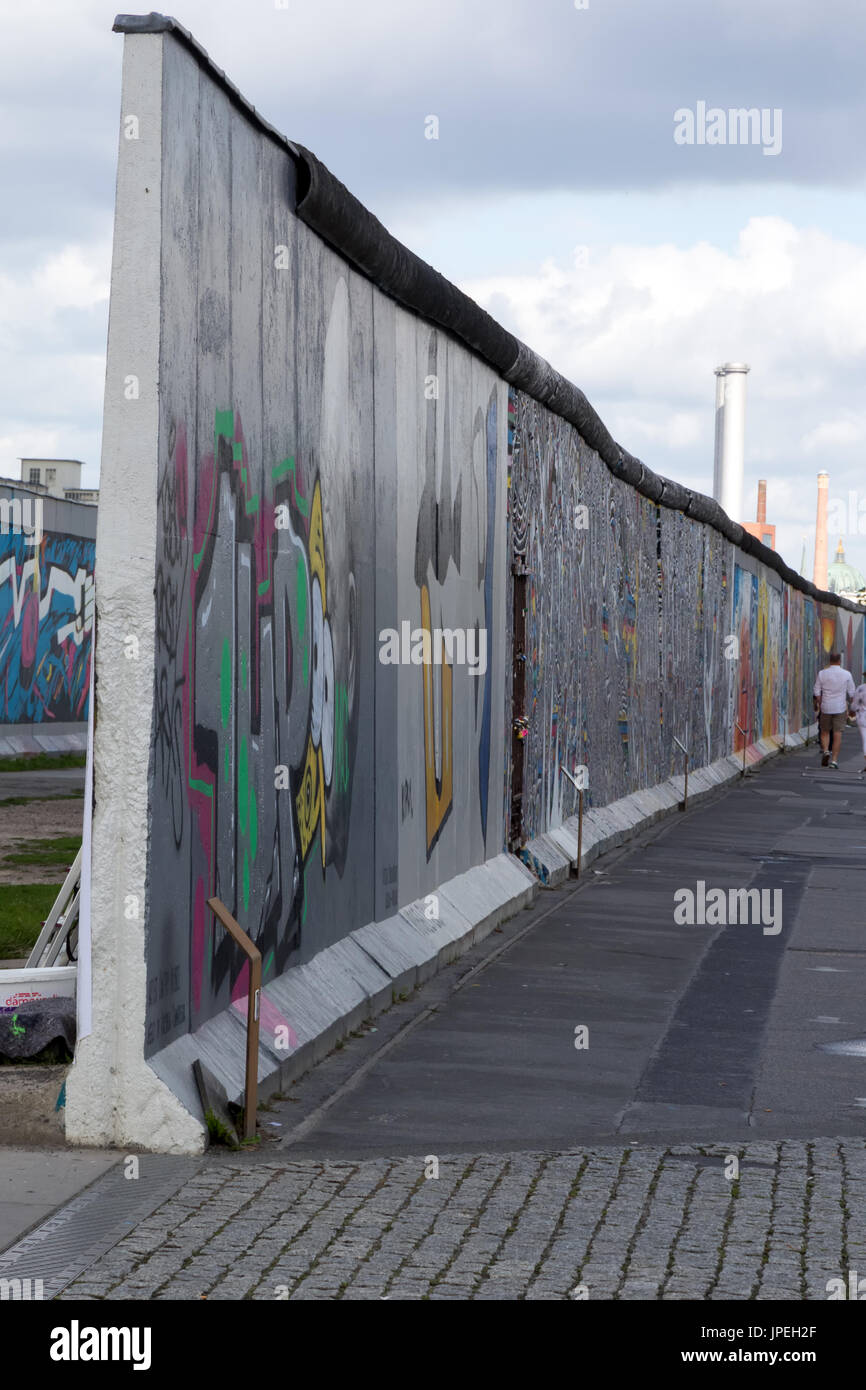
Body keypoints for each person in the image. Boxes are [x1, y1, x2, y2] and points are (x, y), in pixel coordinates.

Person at [813, 651, 855, 768]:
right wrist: (853, 708)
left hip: (826, 707)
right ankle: (834, 760)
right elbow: (852, 693)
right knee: (837, 734)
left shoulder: (822, 673)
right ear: (840, 661)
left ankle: (826, 750)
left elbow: (816, 691)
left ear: (830, 661)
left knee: (824, 731)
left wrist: (820, 702)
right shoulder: (847, 674)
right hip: (840, 708)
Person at [851, 670, 866, 774]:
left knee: (865, 741)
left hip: (863, 716)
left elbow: (854, 705)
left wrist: (852, 710)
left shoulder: (861, 688)